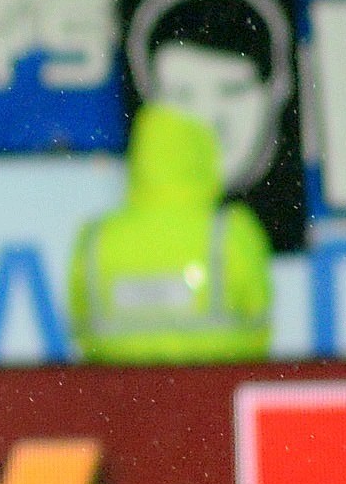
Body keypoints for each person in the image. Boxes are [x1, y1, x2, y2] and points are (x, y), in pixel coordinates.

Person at [69, 102, 272, 362]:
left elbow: (80, 327)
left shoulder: (96, 238)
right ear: (204, 154)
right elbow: (260, 325)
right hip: (214, 393)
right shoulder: (230, 233)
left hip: (118, 396)